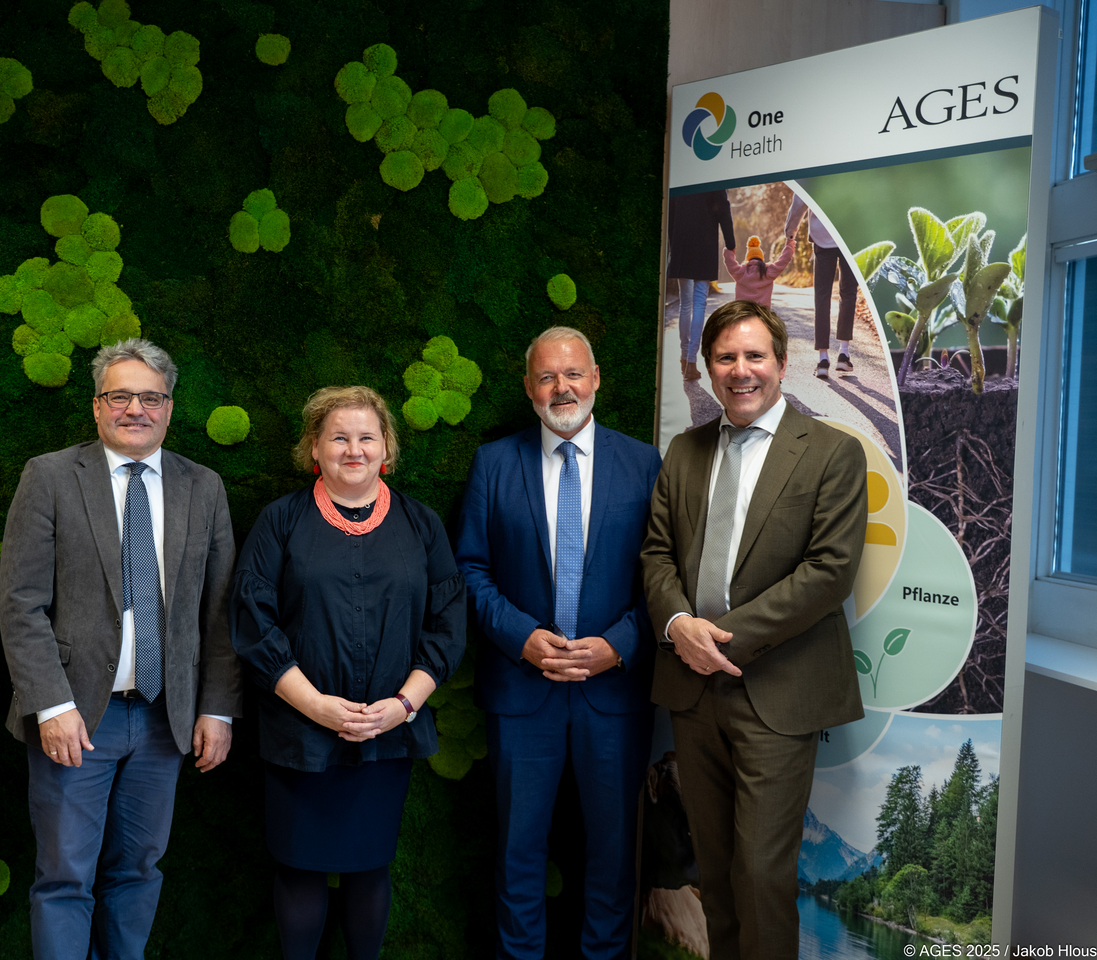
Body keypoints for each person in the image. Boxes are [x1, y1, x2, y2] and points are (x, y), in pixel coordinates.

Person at [0, 338, 242, 960]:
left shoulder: (203, 486)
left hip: (167, 721)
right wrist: (50, 705)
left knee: (138, 872)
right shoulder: (50, 476)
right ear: (97, 405)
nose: (136, 408)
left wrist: (216, 708)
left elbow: (219, 613)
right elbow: (20, 602)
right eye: (120, 395)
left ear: (169, 406)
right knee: (64, 878)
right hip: (77, 718)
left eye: (151, 397)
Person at [640, 300, 868, 960]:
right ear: (710, 367)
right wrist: (681, 625)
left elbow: (828, 573)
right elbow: (656, 553)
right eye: (726, 358)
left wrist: (717, 637)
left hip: (778, 689)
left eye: (754, 356)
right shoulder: (685, 450)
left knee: (762, 876)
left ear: (781, 361)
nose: (741, 371)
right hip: (692, 690)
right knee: (714, 874)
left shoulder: (831, 453)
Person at [229, 386, 466, 960]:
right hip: (299, 737)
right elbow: (253, 625)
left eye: (367, 437)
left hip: (389, 736)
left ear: (387, 447)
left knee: (369, 869)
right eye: (339, 437)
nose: (353, 449)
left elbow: (448, 623)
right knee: (299, 870)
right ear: (315, 447)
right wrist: (319, 708)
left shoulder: (421, 524)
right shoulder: (279, 522)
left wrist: (401, 707)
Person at [454, 326, 662, 959]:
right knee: (519, 851)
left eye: (573, 374)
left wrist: (619, 644)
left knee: (612, 853)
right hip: (524, 693)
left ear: (596, 379)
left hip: (614, 694)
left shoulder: (644, 463)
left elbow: (665, 574)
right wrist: (523, 638)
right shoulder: (494, 463)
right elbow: (470, 568)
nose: (561, 387)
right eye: (547, 376)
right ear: (528, 388)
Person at [667, 189, 737, 381]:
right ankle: (691, 362)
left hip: (682, 245)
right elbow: (724, 209)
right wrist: (731, 243)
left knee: (685, 304)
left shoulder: (683, 180)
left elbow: (670, 214)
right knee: (699, 305)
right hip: (704, 246)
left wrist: (674, 245)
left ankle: (684, 356)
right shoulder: (714, 180)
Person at [786, 194, 859, 379]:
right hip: (850, 232)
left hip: (822, 236)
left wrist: (790, 231)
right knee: (848, 293)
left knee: (822, 296)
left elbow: (799, 202)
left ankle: (823, 359)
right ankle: (843, 353)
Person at [722, 235, 794, 309]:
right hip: (762, 313)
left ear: (748, 258)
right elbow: (784, 260)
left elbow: (730, 262)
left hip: (743, 312)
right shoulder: (768, 271)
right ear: (761, 257)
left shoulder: (741, 272)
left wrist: (730, 251)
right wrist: (790, 244)